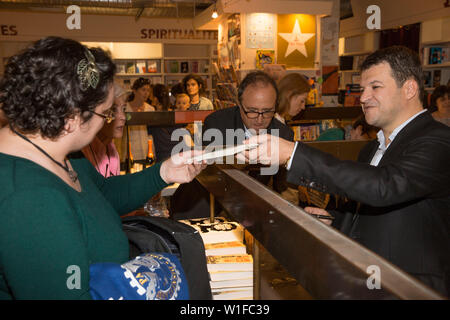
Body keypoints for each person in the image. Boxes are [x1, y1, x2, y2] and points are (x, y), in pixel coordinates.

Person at [0, 37, 205, 299]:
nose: (108, 121)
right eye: (106, 113)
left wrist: (164, 172)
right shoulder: (29, 198)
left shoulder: (58, 152)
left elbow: (103, 195)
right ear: (72, 117)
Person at [240, 46, 450, 296]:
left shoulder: (439, 141)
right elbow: (366, 206)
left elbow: (384, 187)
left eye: (375, 87)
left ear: (410, 88)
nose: (363, 97)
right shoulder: (371, 149)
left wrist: (293, 154)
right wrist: (334, 221)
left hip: (409, 288)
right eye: (363, 89)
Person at [171, 71, 294, 219]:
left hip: (250, 214)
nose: (259, 119)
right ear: (239, 105)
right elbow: (213, 176)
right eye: (252, 111)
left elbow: (281, 186)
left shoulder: (283, 135)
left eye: (267, 111)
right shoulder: (217, 123)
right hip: (201, 208)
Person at [80, 83, 127, 177]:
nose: (123, 117)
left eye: (124, 109)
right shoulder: (81, 152)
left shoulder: (112, 149)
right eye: (113, 110)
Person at [120, 77, 155, 166]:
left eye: (148, 90)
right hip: (128, 151)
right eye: (143, 90)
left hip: (146, 150)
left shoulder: (150, 109)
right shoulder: (125, 108)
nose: (146, 93)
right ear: (135, 91)